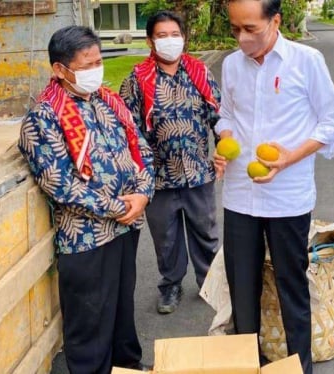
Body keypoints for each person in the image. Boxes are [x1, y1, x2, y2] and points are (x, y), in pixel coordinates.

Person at [213, 0, 334, 372]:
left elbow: (330, 122)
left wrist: (290, 157)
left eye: (251, 29)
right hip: (240, 193)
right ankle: (247, 363)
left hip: (288, 196)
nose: (241, 38)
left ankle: (297, 366)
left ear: (276, 21)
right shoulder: (231, 64)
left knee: (291, 287)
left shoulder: (306, 61)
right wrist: (223, 143)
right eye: (235, 28)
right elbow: (225, 115)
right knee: (242, 289)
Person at [17, 26, 154, 374]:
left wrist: (143, 192)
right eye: (86, 64)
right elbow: (59, 183)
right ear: (60, 69)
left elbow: (141, 150)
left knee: (122, 309)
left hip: (127, 227)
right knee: (90, 323)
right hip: (86, 238)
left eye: (98, 62)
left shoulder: (110, 101)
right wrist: (120, 206)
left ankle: (127, 366)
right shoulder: (44, 117)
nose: (96, 70)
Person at [120, 10, 221, 315]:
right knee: (166, 238)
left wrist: (223, 151)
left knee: (206, 233)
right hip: (158, 178)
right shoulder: (137, 80)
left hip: (198, 172)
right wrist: (139, 176)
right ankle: (171, 285)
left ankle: (211, 284)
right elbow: (128, 130)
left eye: (174, 35)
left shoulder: (200, 72)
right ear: (150, 40)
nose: (169, 41)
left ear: (183, 37)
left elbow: (219, 116)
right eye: (161, 36)